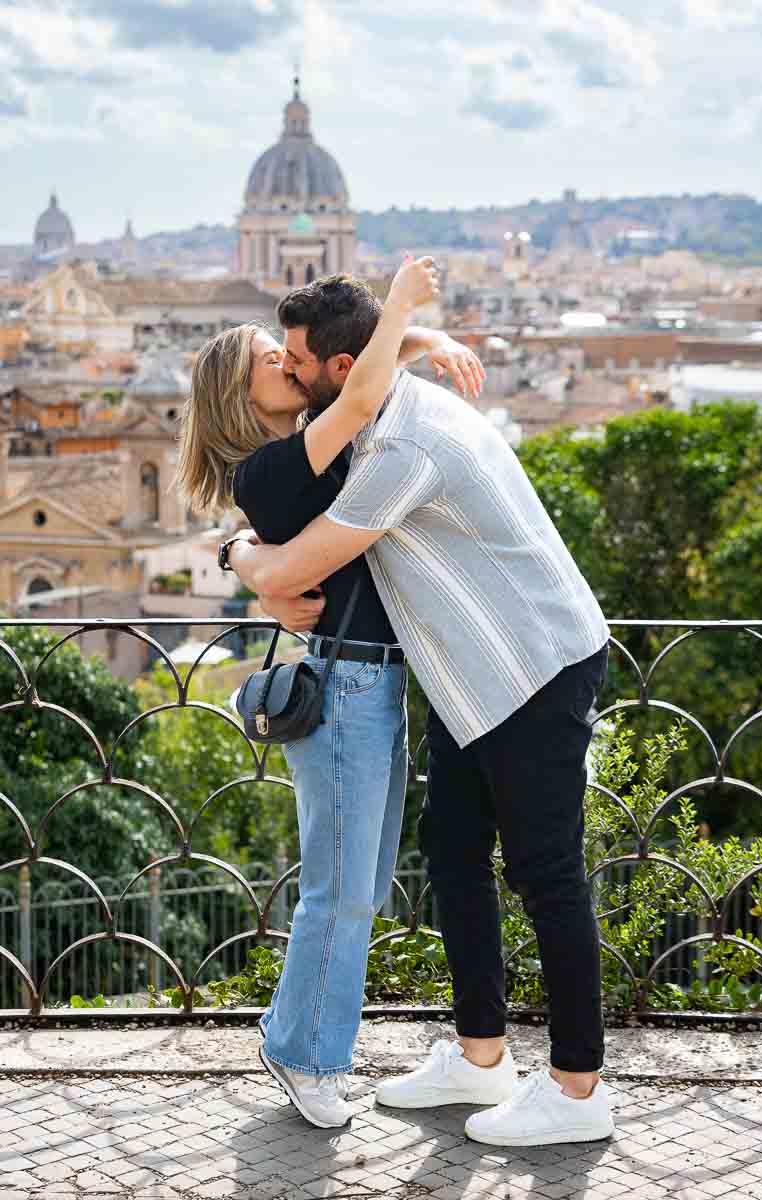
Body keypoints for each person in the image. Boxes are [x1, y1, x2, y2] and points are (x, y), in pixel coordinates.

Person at [228, 275, 615, 1149]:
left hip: (534, 665)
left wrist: (249, 560)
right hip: (470, 673)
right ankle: (481, 1058)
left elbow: (293, 573)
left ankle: (578, 1088)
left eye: (295, 361)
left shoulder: (404, 448)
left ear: (337, 368)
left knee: (547, 873)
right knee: (454, 858)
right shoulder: (378, 418)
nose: (287, 374)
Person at [175, 258, 487, 1130]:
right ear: (242, 399)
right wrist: (402, 307)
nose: (293, 365)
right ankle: (306, 1053)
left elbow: (357, 372)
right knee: (342, 889)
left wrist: (424, 337)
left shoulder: (301, 447)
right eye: (272, 364)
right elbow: (355, 395)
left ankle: (298, 1038)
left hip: (373, 679)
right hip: (348, 682)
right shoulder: (272, 468)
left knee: (365, 883)